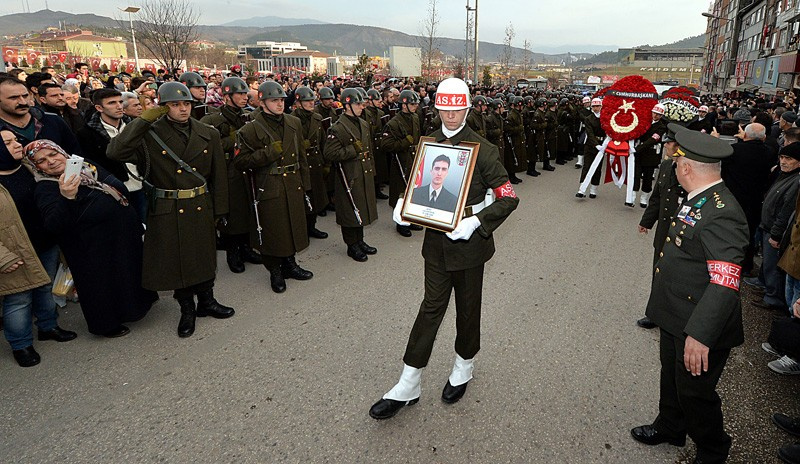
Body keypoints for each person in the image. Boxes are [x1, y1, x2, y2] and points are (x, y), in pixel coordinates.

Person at [369, 78, 519, 420]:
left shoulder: (484, 149)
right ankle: (409, 383)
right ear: (436, 108)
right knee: (430, 309)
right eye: (444, 108)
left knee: (468, 310)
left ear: (467, 107)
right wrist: (404, 205)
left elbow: (509, 197)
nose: (451, 115)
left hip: (469, 245)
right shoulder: (429, 145)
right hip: (436, 246)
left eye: (457, 108)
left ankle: (463, 366)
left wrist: (477, 222)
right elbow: (421, 186)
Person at [630, 128, 748, 464]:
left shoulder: (721, 212)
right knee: (672, 377)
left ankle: (713, 449)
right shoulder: (700, 198)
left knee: (696, 393)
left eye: (678, 162)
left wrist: (700, 334)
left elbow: (725, 283)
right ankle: (670, 425)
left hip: (698, 324)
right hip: (675, 315)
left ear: (686, 169)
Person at [107, 82, 234, 338]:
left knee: (203, 255)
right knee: (178, 261)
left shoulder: (207, 133)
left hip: (199, 203)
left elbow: (219, 175)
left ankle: (207, 302)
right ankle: (187, 309)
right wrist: (142, 121)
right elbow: (115, 151)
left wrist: (220, 210)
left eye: (186, 103)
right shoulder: (150, 134)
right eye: (175, 105)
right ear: (163, 108)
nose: (182, 109)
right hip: (168, 206)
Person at [25, 139, 155, 337]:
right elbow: (54, 224)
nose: (51, 161)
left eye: (53, 154)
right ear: (36, 167)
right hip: (88, 247)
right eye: (41, 160)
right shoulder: (46, 187)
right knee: (99, 287)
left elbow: (115, 184)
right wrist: (67, 196)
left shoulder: (85, 166)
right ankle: (106, 325)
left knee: (127, 273)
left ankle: (135, 309)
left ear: (62, 151)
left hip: (119, 235)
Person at [0, 129, 76, 367]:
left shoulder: (30, 167)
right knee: (18, 299)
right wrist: (2, 257)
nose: (17, 144)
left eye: (15, 139)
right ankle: (21, 345)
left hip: (44, 243)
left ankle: (48, 326)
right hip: (15, 253)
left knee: (46, 286)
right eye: (8, 142)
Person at [234, 81, 314, 292]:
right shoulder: (250, 127)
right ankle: (275, 271)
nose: (280, 104)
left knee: (292, 225)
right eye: (274, 101)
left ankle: (290, 264)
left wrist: (305, 184)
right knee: (273, 230)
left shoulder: (293, 122)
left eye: (281, 100)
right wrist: (267, 154)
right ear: (262, 102)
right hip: (268, 184)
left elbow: (302, 157)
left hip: (292, 181)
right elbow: (240, 162)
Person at [201, 76, 264, 273]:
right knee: (231, 213)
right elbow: (206, 147)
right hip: (227, 171)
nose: (245, 97)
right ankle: (233, 253)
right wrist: (232, 140)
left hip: (248, 168)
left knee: (248, 211)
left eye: (246, 94)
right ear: (227, 96)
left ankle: (246, 248)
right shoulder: (212, 119)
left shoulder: (250, 116)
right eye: (240, 94)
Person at [636, 123, 688, 329]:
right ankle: (656, 313)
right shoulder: (667, 166)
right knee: (659, 269)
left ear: (678, 146)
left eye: (668, 143)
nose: (665, 146)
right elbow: (657, 198)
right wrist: (646, 221)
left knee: (678, 273)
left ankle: (676, 314)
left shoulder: (690, 169)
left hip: (683, 232)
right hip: (664, 230)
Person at [323, 88, 379, 262]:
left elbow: (368, 149)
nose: (361, 107)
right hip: (348, 174)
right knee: (349, 209)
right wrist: (351, 150)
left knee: (361, 206)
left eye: (362, 103)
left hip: (363, 171)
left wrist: (372, 171)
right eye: (357, 104)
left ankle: (359, 240)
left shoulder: (362, 123)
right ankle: (351, 245)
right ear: (347, 105)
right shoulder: (338, 128)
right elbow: (329, 154)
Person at [744, 142, 800, 311]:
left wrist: (776, 234)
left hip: (775, 231)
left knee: (773, 266)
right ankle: (766, 288)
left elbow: (786, 211)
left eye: (788, 158)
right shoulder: (784, 175)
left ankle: (772, 298)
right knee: (768, 265)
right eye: (782, 157)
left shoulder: (796, 181)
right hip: (767, 226)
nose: (783, 161)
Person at [0, 76, 81, 156]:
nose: (23, 102)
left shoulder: (53, 121)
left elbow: (76, 154)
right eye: (13, 98)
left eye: (25, 96)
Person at [380, 89, 422, 238]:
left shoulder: (415, 117)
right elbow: (385, 145)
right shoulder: (394, 123)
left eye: (416, 103)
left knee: (413, 191)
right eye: (412, 104)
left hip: (413, 159)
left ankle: (410, 218)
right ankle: (401, 222)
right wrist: (405, 142)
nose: (415, 106)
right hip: (401, 161)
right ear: (404, 105)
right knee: (401, 193)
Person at [292, 85, 330, 240]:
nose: (311, 103)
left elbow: (323, 142)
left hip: (315, 161)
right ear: (299, 103)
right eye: (307, 101)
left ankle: (312, 226)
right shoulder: (292, 120)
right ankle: (302, 230)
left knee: (315, 196)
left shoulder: (317, 118)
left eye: (312, 100)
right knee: (302, 198)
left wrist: (326, 162)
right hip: (301, 163)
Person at [633, 103, 668, 207]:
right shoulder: (644, 122)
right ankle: (632, 195)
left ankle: (644, 197)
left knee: (648, 177)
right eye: (654, 113)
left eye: (658, 114)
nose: (655, 116)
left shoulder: (662, 127)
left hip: (651, 154)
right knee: (636, 174)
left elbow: (653, 140)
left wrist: (637, 149)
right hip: (639, 153)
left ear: (661, 116)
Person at [577, 98, 605, 198]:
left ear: (601, 106)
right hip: (590, 144)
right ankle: (582, 188)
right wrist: (596, 144)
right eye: (594, 106)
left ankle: (594, 189)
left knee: (598, 168)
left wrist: (605, 143)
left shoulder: (606, 118)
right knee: (587, 166)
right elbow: (590, 133)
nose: (596, 108)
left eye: (597, 106)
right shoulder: (589, 118)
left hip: (603, 144)